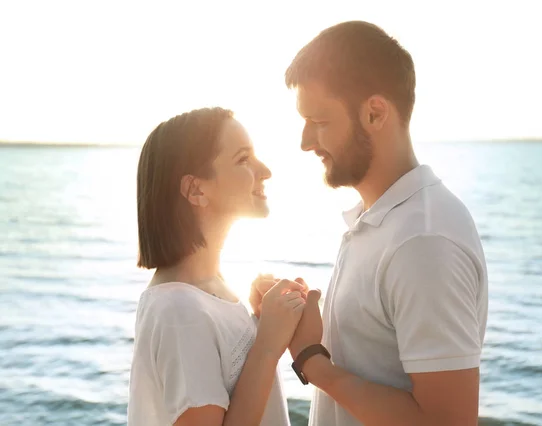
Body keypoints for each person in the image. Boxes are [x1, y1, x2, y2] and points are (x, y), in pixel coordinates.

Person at [256, 21, 489, 425]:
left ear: (375, 113)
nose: (305, 142)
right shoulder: (381, 221)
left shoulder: (423, 240)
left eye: (320, 121)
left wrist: (312, 359)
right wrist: (294, 318)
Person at [127, 107, 308, 426]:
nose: (264, 171)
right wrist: (267, 343)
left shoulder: (207, 292)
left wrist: (259, 323)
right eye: (243, 159)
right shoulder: (178, 311)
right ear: (196, 190)